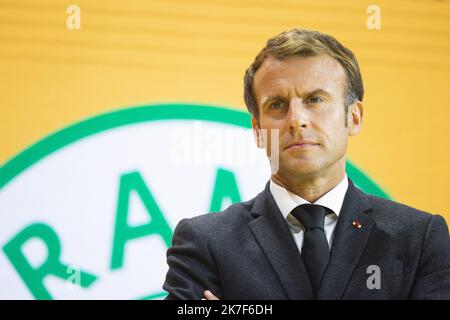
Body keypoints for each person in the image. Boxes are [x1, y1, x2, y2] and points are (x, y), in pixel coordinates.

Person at [162, 29, 450, 300]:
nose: (296, 119)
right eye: (276, 104)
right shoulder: (206, 243)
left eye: (314, 99)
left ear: (354, 117)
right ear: (258, 131)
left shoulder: (420, 238)